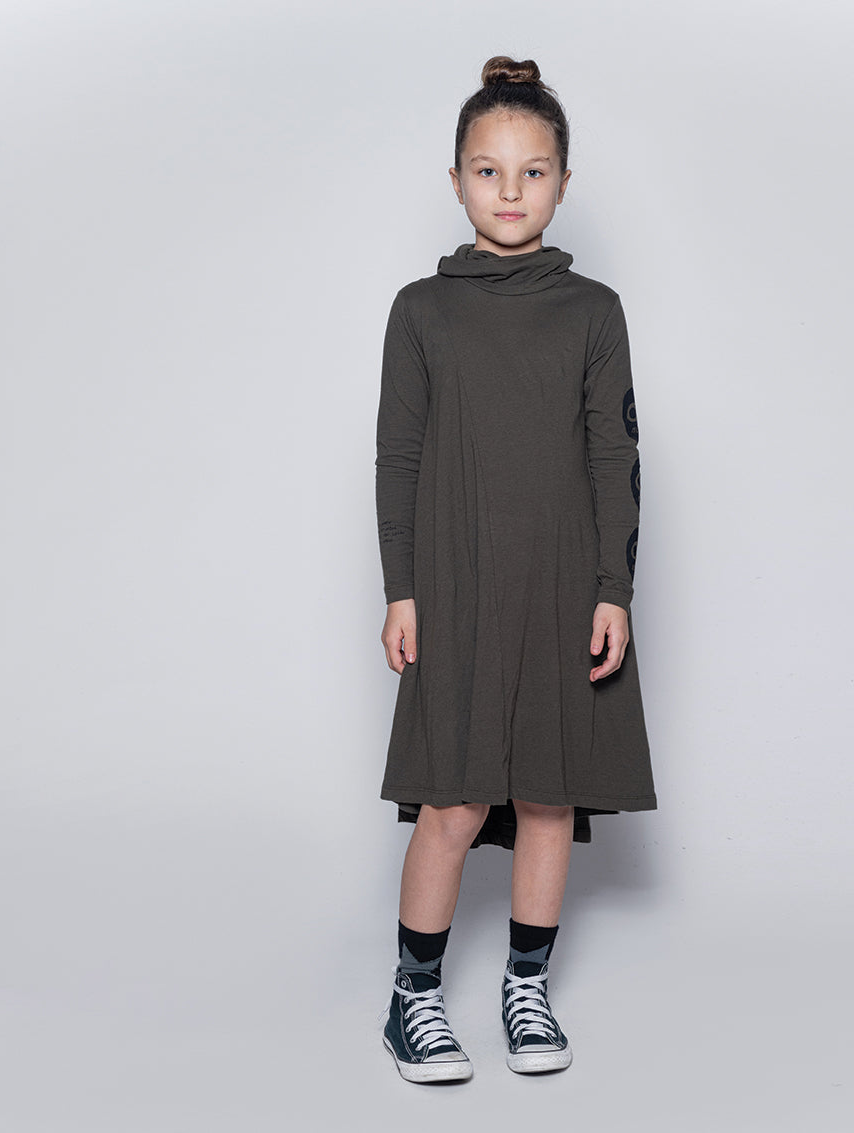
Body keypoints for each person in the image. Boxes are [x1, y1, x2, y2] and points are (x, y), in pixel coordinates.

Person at [375, 55, 656, 1083]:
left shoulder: (594, 311)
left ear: (563, 184)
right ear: (455, 180)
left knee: (546, 794)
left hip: (562, 589)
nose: (509, 190)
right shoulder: (421, 310)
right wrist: (402, 588)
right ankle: (413, 996)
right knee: (452, 801)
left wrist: (613, 590)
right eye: (487, 170)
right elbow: (399, 457)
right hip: (454, 588)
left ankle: (525, 985)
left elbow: (614, 457)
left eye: (532, 171)